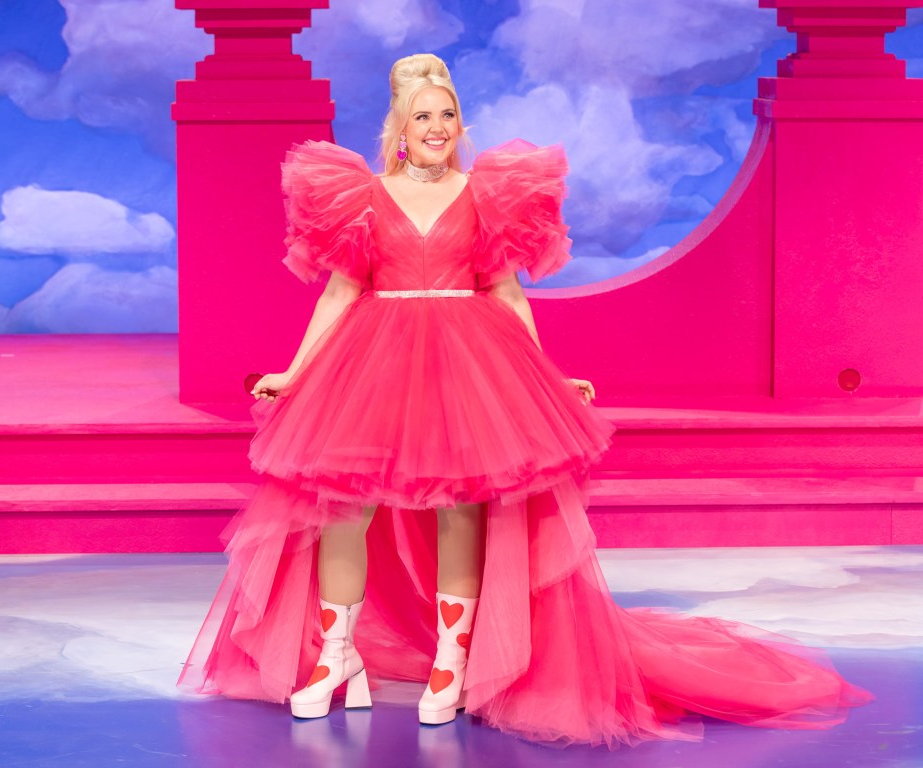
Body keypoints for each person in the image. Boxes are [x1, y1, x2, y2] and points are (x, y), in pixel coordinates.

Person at [178, 53, 871, 747]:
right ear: (399, 128)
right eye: (423, 116)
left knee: (460, 506)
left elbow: (507, 295)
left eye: (447, 114)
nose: (437, 127)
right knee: (341, 508)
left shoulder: (486, 196)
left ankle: (452, 662)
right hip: (373, 360)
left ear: (460, 124)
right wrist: (297, 371)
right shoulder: (363, 196)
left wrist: (542, 375)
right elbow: (340, 292)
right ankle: (338, 657)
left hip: (466, 362)